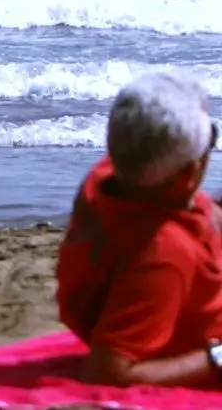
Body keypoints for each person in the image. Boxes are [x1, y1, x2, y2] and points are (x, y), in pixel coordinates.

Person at [56, 71, 222, 387]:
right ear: (188, 174)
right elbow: (106, 371)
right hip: (193, 327)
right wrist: (216, 358)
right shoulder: (164, 255)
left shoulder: (105, 178)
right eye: (210, 140)